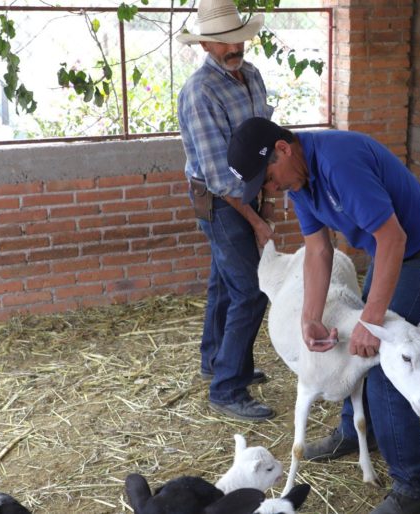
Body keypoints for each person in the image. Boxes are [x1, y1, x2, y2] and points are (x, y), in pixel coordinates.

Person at [227, 117, 420, 514]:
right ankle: (355, 434)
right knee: (357, 348)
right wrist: (310, 317)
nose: (271, 189)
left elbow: (393, 237)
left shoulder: (337, 163)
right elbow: (318, 250)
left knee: (384, 361)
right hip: (393, 254)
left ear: (283, 150)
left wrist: (372, 322)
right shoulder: (299, 181)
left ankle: (413, 488)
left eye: (267, 178)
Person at [176, 0, 276, 421]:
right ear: (204, 45)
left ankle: (216, 361)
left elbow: (264, 142)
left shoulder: (250, 75)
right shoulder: (201, 92)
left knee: (224, 283)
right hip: (219, 201)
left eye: (236, 38)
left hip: (246, 195)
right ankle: (228, 388)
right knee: (249, 292)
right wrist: (256, 220)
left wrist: (263, 199)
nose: (233, 47)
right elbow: (219, 175)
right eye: (222, 42)